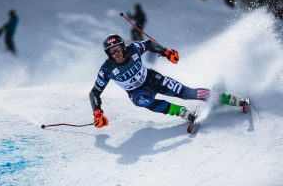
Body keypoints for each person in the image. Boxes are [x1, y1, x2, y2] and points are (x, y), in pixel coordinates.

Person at [89, 34, 248, 128]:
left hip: (153, 79)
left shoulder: (134, 48)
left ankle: (228, 99)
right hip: (137, 92)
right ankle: (181, 112)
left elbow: (149, 44)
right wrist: (97, 112)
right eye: (111, 51)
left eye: (117, 48)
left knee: (187, 93)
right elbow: (95, 92)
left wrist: (167, 53)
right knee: (141, 101)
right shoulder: (107, 69)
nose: (115, 53)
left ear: (123, 47)